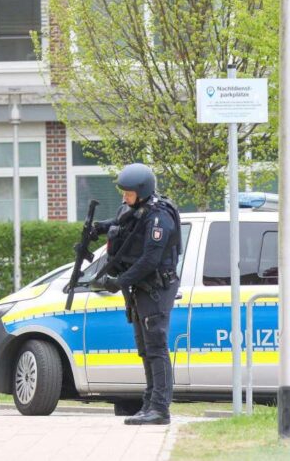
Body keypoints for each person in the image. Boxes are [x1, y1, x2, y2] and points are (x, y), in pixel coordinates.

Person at [90, 163, 181, 425]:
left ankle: (160, 409)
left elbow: (150, 260)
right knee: (145, 348)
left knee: (156, 347)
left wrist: (119, 281)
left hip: (155, 288)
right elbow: (123, 223)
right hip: (140, 289)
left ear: (141, 191)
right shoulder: (139, 210)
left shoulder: (159, 217)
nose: (123, 197)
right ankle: (148, 403)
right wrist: (101, 228)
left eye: (128, 193)